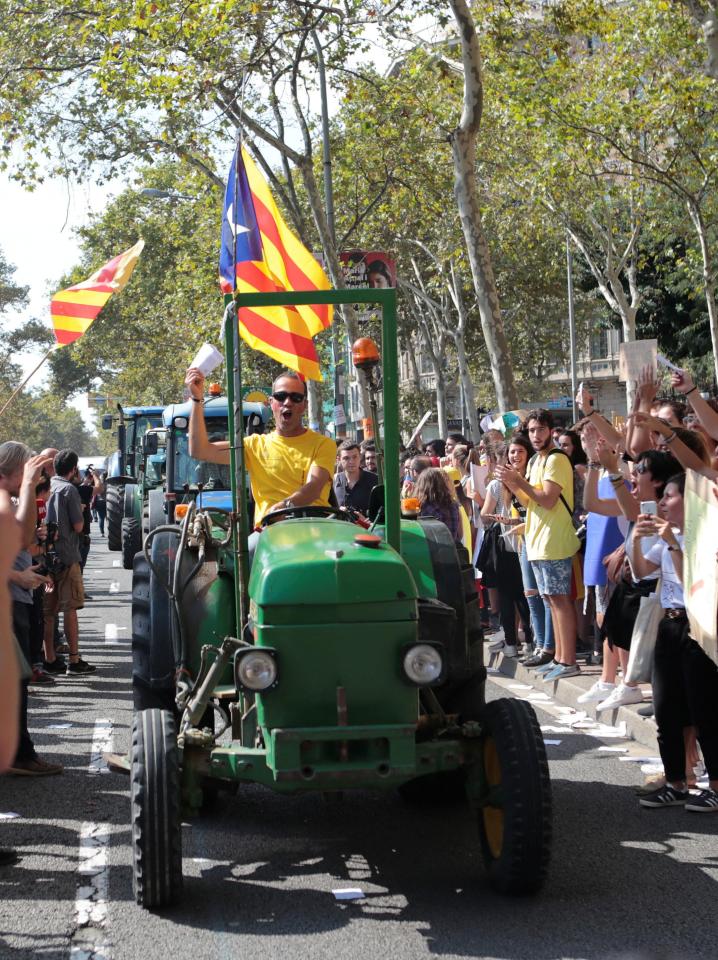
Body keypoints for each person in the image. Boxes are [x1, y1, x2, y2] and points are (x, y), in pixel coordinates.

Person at [629, 474, 718, 811]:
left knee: (704, 708)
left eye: (669, 496)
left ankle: (714, 786)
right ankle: (676, 782)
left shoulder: (702, 536)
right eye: (662, 497)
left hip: (697, 625)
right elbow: (640, 572)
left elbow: (693, 583)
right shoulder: (666, 536)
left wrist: (674, 545)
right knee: (666, 708)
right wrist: (637, 540)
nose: (662, 503)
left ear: (688, 500)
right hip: (668, 624)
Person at [186, 367, 336, 553]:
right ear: (271, 403)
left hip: (315, 527)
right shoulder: (253, 446)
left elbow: (313, 488)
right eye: (281, 397)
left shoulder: (323, 444)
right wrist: (196, 399)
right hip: (270, 532)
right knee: (237, 560)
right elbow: (200, 450)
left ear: (304, 405)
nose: (287, 402)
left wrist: (284, 507)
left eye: (295, 398)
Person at [495, 409, 582, 681]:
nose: (535, 435)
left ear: (551, 431)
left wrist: (517, 480)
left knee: (559, 600)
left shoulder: (557, 459)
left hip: (554, 540)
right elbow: (531, 500)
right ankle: (558, 656)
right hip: (537, 540)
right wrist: (511, 481)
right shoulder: (535, 462)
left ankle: (568, 661)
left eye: (540, 430)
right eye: (532, 430)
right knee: (550, 599)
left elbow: (547, 499)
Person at [42, 450, 96, 676]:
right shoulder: (69, 490)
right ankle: (74, 660)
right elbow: (76, 526)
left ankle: (50, 658)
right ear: (73, 469)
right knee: (70, 608)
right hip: (67, 555)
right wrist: (82, 511)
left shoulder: (48, 486)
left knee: (48, 612)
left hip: (45, 556)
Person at [480, 435, 533, 659]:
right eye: (511, 453)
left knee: (520, 595)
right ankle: (519, 641)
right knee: (515, 595)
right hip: (512, 543)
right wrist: (500, 518)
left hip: (520, 542)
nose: (514, 457)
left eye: (519, 452)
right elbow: (485, 515)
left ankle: (522, 641)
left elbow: (484, 517)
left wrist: (506, 519)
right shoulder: (499, 484)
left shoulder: (527, 480)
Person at [414, 467, 461, 542]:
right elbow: (460, 534)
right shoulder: (453, 504)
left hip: (430, 551)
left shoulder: (423, 507)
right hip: (451, 550)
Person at [333, 440, 377, 515]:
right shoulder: (334, 481)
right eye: (346, 458)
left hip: (366, 526)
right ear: (338, 459)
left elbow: (382, 514)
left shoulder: (375, 480)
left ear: (360, 457)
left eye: (354, 457)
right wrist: (338, 510)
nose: (351, 461)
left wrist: (366, 521)